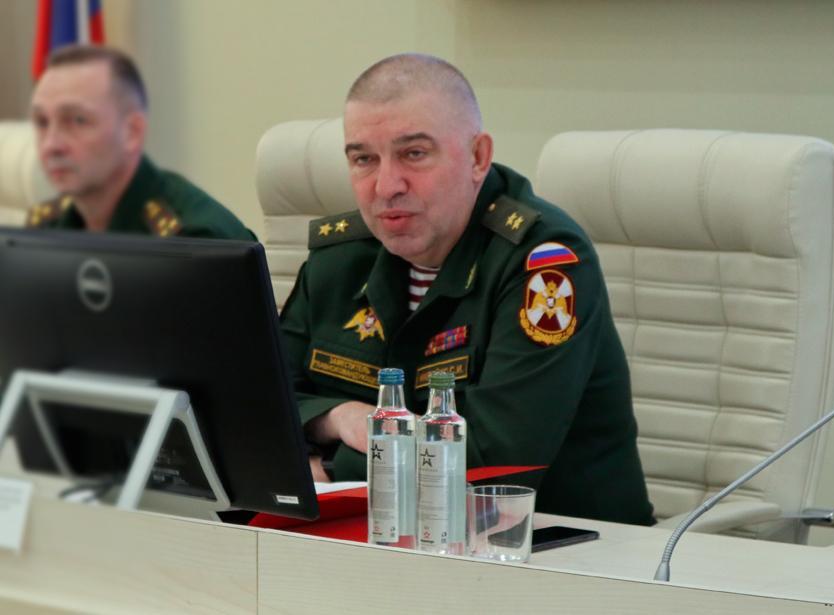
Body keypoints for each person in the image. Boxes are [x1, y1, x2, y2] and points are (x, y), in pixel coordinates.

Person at [280, 53, 653, 524]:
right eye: (363, 159)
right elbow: (261, 404)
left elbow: (495, 463)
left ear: (478, 157)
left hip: (552, 543)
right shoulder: (340, 259)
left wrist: (333, 468)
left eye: (414, 154)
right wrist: (336, 418)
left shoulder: (543, 263)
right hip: (382, 535)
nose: (386, 186)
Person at [26, 44, 253, 240]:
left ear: (132, 132)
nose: (51, 145)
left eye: (77, 120)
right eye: (42, 122)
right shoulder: (43, 228)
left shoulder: (195, 239)